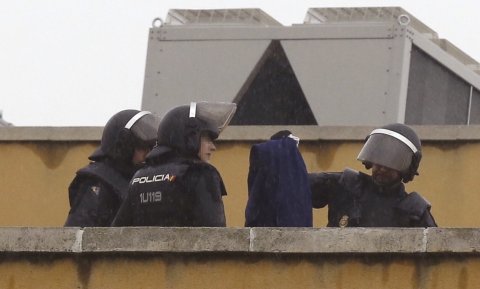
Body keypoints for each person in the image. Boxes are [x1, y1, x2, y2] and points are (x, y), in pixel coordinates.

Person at [112, 101, 236, 227]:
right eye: (207, 139)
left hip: (145, 247)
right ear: (190, 137)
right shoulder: (201, 173)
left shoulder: (139, 177)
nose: (213, 147)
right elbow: (215, 234)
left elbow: (118, 234)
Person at [309, 123, 437, 227]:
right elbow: (296, 185)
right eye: (378, 159)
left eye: (392, 162)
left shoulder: (414, 211)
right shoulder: (346, 185)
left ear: (407, 169)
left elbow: (435, 253)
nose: (381, 168)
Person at [64, 110, 158, 227]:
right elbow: (77, 235)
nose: (148, 154)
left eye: (151, 148)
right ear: (125, 147)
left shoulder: (140, 181)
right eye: (142, 148)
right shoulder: (98, 182)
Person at [245, 130, 313, 227]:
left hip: (266, 228)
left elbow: (255, 201)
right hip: (294, 230)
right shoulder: (297, 176)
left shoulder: (266, 156)